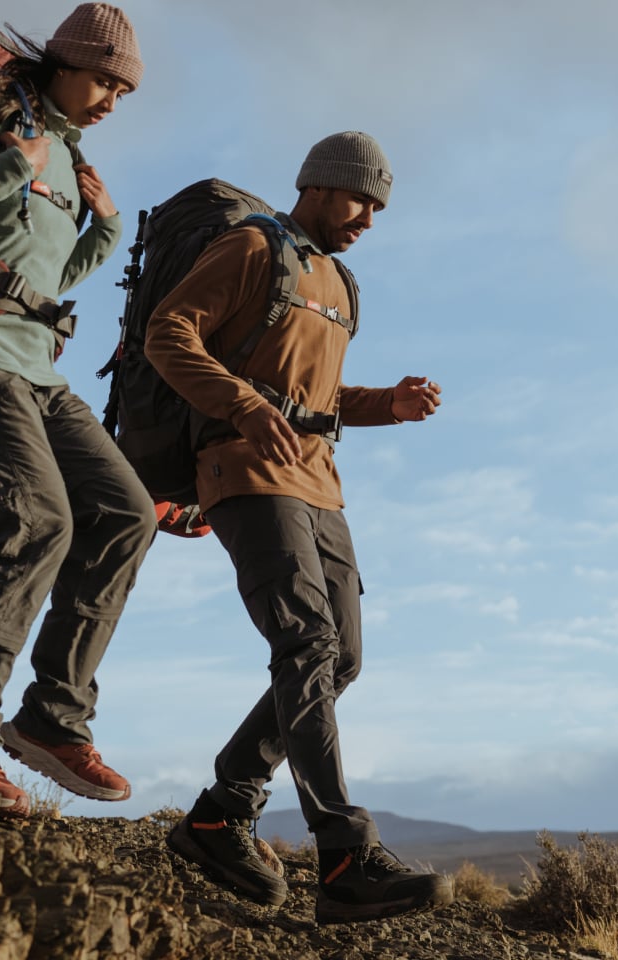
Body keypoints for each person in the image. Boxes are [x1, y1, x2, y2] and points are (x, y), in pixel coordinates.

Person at [144, 132, 452, 923]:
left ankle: (220, 812)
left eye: (379, 207)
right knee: (307, 645)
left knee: (339, 657)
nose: (369, 219)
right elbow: (169, 333)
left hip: (320, 486)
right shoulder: (254, 248)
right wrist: (242, 407)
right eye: (360, 200)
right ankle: (344, 854)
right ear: (316, 186)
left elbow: (320, 394)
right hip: (245, 473)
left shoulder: (340, 284)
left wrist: (390, 403)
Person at [0, 4, 157, 818]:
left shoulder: (68, 154)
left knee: (125, 510)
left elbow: (41, 274)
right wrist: (13, 167)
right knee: (39, 526)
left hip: (33, 367)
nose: (113, 98)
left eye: (124, 88)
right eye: (104, 80)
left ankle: (50, 719)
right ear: (63, 67)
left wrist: (104, 226)